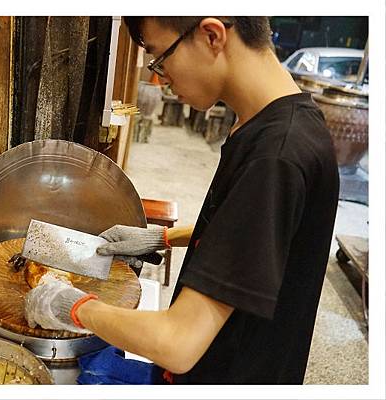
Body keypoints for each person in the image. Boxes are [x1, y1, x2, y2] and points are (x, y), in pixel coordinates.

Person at [24, 16, 339, 384]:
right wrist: (162, 239)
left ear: (211, 35)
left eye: (160, 58)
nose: (161, 78)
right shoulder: (284, 122)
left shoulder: (276, 157)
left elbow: (178, 344)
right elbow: (252, 238)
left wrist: (71, 305)